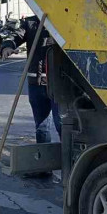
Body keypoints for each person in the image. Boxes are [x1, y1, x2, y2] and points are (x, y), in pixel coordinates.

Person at [8, 15, 62, 143]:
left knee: (62, 125)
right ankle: (44, 159)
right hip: (36, 84)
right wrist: (8, 45)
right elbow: (16, 36)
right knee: (41, 127)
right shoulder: (30, 23)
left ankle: (68, 160)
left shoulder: (63, 20)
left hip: (59, 85)